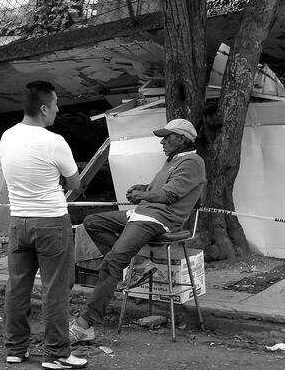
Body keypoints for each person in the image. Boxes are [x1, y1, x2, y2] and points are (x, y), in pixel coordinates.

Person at [70, 118, 206, 342]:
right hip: (143, 214)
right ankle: (140, 266)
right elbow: (162, 189)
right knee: (92, 222)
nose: (162, 142)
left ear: (181, 139)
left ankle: (86, 323)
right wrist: (144, 188)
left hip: (159, 219)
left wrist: (142, 195)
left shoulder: (192, 162)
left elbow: (170, 195)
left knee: (113, 261)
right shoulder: (174, 160)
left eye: (167, 137)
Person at [0, 80, 87, 370]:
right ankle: (57, 353)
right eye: (56, 104)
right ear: (44, 108)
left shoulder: (7, 137)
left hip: (17, 222)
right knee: (55, 289)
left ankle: (16, 348)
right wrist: (58, 181)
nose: (58, 110)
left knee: (18, 286)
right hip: (50, 222)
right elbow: (76, 183)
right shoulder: (54, 141)